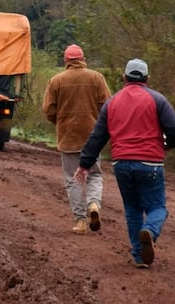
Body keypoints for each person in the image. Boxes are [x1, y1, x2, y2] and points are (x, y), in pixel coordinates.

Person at [74, 58, 175, 269]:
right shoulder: (157, 100)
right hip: (150, 162)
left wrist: (85, 164)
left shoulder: (112, 102)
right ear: (147, 78)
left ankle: (139, 256)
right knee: (157, 207)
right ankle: (150, 231)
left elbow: (98, 136)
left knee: (133, 209)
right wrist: (168, 145)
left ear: (124, 77)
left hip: (121, 163)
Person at [43, 44, 112, 235]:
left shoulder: (56, 80)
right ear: (83, 59)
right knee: (95, 175)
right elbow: (107, 106)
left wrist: (59, 122)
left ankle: (81, 221)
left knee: (73, 179)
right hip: (93, 138)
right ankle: (94, 205)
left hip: (68, 136)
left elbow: (48, 109)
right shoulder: (97, 78)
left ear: (66, 60)